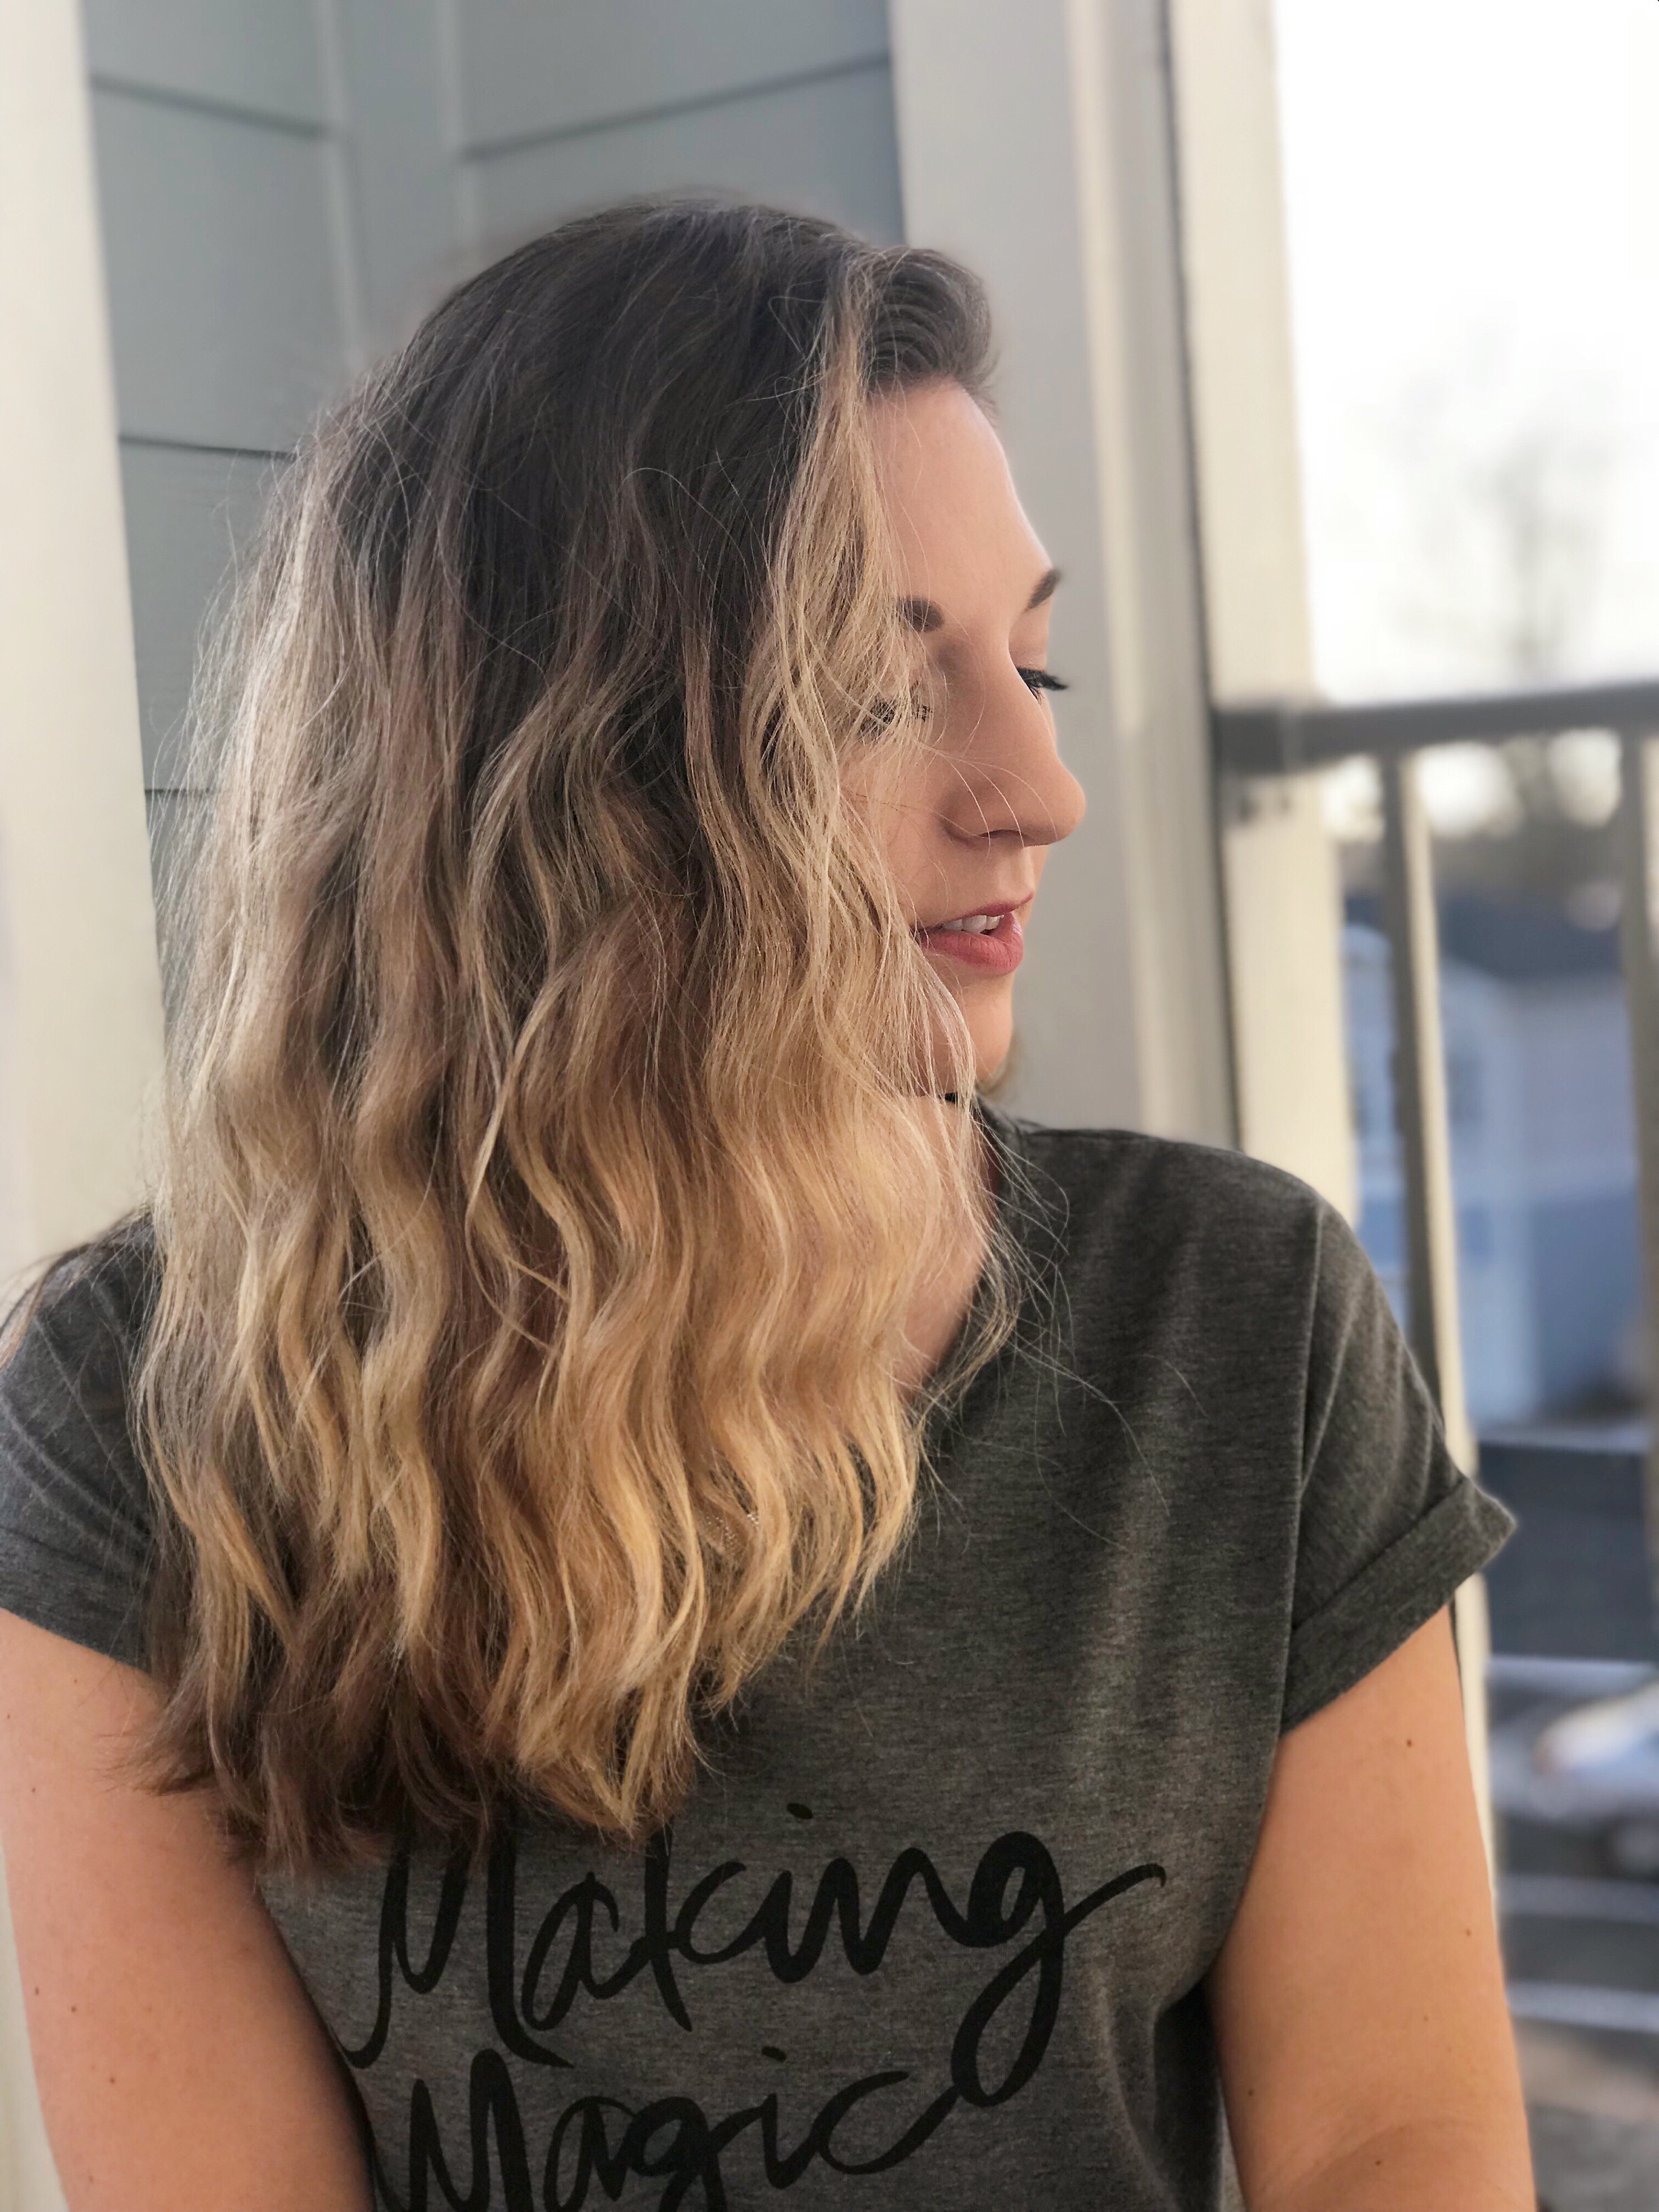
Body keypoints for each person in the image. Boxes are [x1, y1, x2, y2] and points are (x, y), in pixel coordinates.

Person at [0, 199, 1532, 2212]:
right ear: (559, 776)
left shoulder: (1235, 1322)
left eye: (1034, 666)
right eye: (884, 696)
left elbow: (1394, 2144)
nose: (1038, 788)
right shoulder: (140, 1415)